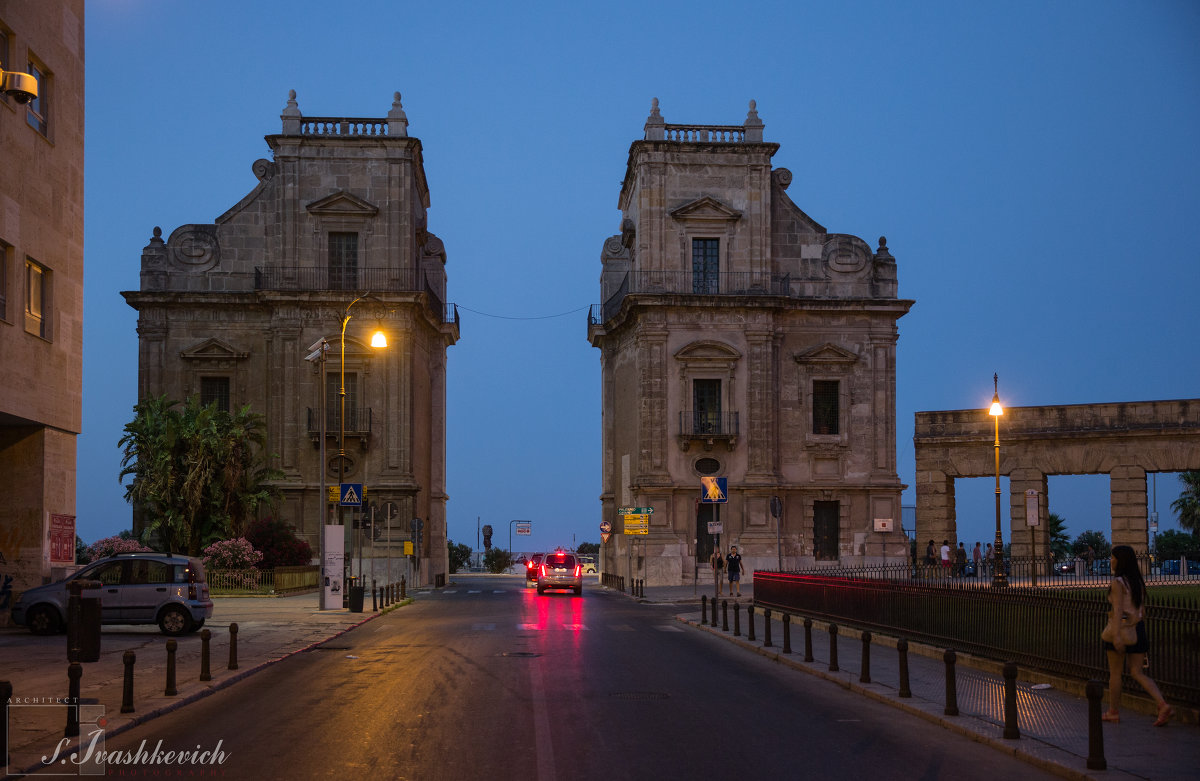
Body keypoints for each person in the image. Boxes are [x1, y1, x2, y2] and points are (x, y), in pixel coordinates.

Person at [1102, 545, 1172, 726]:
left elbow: (1118, 611)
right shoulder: (1138, 582)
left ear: (1120, 560)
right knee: (1137, 672)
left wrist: (1116, 636)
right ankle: (1162, 704)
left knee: (1115, 674)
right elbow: (1142, 612)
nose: (1111, 560)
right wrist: (1137, 626)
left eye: (1113, 557)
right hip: (1138, 630)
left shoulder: (1118, 583)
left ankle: (1113, 711)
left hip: (1121, 630)